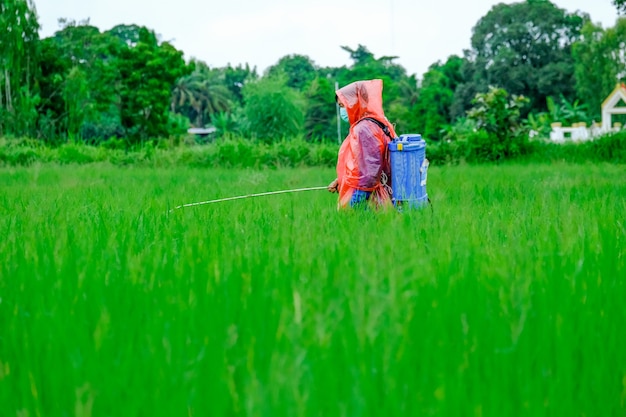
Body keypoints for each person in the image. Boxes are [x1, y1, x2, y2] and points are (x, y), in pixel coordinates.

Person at [327, 79, 397, 209]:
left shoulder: (364, 129)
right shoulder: (378, 122)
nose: (343, 111)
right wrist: (342, 181)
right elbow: (361, 165)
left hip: (372, 198)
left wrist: (356, 203)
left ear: (355, 103)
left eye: (344, 106)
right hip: (385, 191)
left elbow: (369, 173)